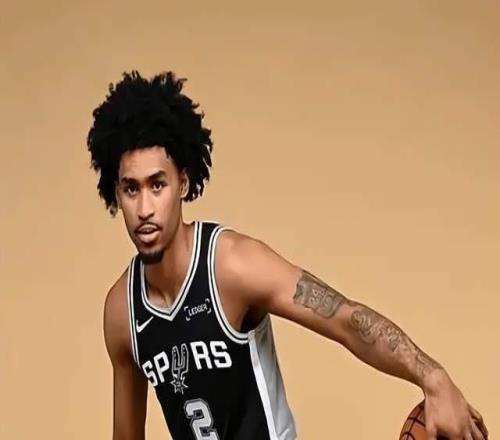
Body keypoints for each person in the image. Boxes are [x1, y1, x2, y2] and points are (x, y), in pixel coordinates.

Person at [87, 70, 488, 440]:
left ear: (183, 183)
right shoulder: (123, 312)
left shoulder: (231, 266)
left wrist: (432, 377)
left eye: (157, 185)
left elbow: (345, 319)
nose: (144, 209)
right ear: (116, 193)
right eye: (131, 188)